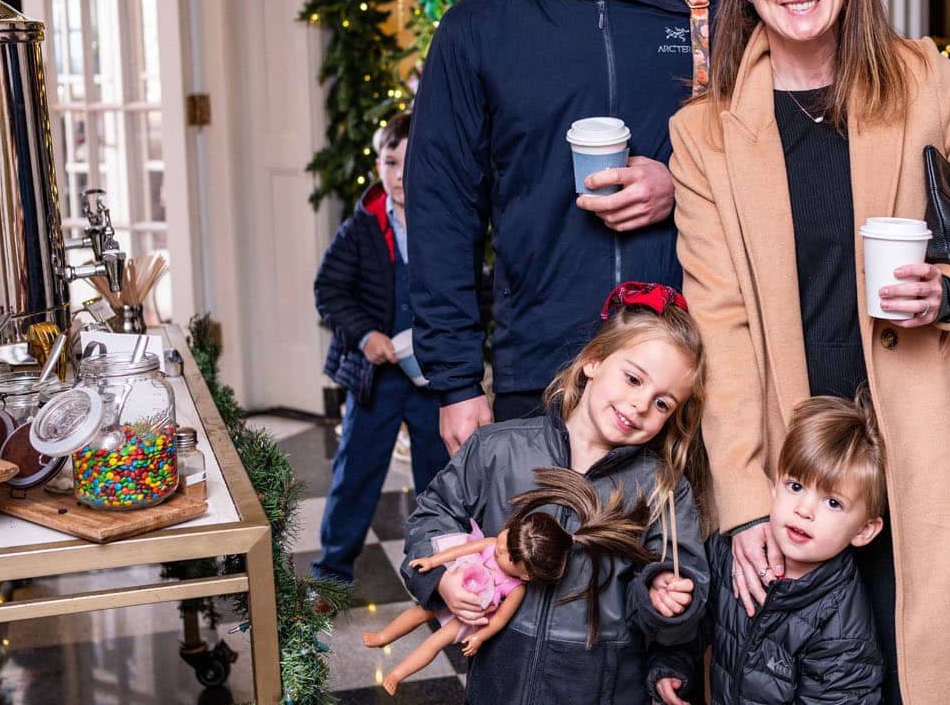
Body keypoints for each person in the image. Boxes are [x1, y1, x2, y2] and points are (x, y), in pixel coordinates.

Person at [669, 0, 950, 705]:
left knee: (927, 670)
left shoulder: (924, 80)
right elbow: (723, 328)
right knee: (811, 682)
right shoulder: (704, 134)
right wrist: (741, 503)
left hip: (921, 439)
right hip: (797, 461)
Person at [407, 0, 723, 455]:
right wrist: (458, 382)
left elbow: (775, 150)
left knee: (683, 561)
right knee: (545, 558)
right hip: (543, 365)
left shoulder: (703, 4)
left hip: (693, 360)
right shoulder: (475, 29)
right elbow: (442, 209)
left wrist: (680, 183)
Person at [398, 281, 710, 703]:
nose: (640, 405)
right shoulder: (498, 449)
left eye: (662, 403)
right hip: (500, 683)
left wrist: (664, 599)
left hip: (602, 690)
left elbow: (683, 605)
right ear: (594, 361)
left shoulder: (662, 488)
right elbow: (433, 514)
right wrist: (445, 580)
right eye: (633, 378)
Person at [648, 393, 888, 705]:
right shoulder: (730, 555)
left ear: (863, 530)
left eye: (832, 502)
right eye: (796, 486)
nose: (804, 509)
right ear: (772, 487)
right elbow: (695, 620)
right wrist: (671, 663)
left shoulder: (842, 627)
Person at [311, 112, 450, 584]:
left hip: (431, 376)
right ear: (379, 165)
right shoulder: (362, 227)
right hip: (376, 380)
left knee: (439, 475)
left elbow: (473, 290)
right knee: (357, 472)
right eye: (391, 162)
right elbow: (329, 290)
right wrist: (366, 335)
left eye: (410, 165)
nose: (399, 176)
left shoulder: (445, 224)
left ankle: (440, 567)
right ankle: (332, 569)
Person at [364, 467, 653, 694]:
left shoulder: (514, 589)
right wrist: (433, 562)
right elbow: (464, 549)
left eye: (507, 556)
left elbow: (499, 620)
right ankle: (383, 637)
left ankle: (397, 674)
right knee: (418, 612)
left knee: (436, 641)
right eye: (506, 537)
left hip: (471, 613)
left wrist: (478, 637)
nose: (499, 547)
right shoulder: (494, 543)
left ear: (525, 575)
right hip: (456, 580)